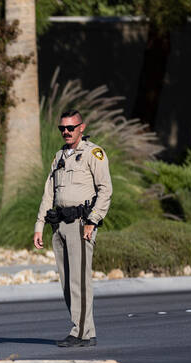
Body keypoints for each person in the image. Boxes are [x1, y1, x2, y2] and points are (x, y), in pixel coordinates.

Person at [33, 108, 113, 347]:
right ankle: (84, 331)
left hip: (81, 224)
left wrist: (93, 220)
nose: (66, 132)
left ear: (82, 128)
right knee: (67, 282)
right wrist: (39, 225)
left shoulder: (93, 153)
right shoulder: (59, 156)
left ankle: (80, 332)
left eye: (70, 128)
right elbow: (49, 192)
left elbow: (105, 190)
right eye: (62, 128)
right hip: (59, 224)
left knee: (80, 281)